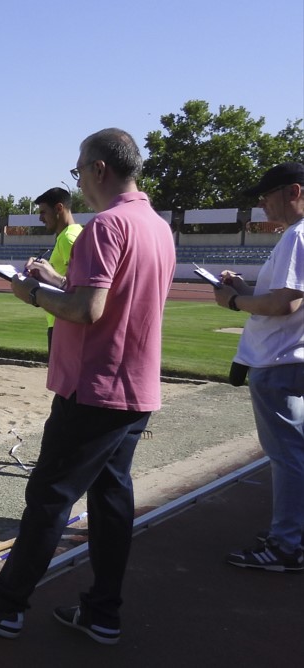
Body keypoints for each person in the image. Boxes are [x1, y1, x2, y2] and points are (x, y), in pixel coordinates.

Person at [0, 128, 176, 645]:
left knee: (50, 497)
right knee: (112, 499)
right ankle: (103, 612)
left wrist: (31, 293)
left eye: (78, 170)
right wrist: (57, 280)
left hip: (93, 387)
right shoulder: (157, 226)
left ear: (98, 170)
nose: (79, 181)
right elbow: (114, 298)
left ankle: (6, 606)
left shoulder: (106, 226)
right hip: (134, 386)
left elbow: (87, 310)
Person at [211, 162, 304, 572]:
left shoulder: (297, 236)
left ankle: (288, 544)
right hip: (288, 358)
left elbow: (284, 304)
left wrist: (232, 301)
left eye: (268, 194)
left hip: (279, 360)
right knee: (293, 452)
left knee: (287, 456)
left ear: (294, 191)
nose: (262, 203)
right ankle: (292, 533)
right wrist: (246, 290)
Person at [26, 187, 84, 355]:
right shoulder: (74, 233)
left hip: (63, 321)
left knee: (61, 380)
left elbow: (78, 285)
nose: (40, 218)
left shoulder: (68, 238)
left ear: (59, 208)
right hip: (61, 319)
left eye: (43, 212)